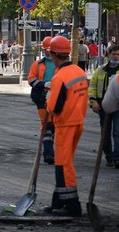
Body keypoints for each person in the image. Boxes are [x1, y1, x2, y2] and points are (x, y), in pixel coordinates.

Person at [43, 35, 89, 217]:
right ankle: (58, 202)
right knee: (65, 161)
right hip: (78, 122)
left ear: (53, 54)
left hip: (65, 124)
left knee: (63, 164)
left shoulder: (59, 77)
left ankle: (72, 206)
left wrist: (47, 99)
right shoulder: (79, 71)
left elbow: (53, 107)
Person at [88, 44, 119, 167]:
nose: (116, 56)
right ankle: (109, 157)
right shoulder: (100, 70)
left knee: (117, 132)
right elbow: (92, 86)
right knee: (105, 132)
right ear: (108, 55)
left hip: (117, 105)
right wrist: (93, 101)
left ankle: (117, 158)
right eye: (114, 54)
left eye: (118, 54)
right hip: (103, 105)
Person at [28, 36, 56, 164]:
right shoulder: (37, 64)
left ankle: (51, 151)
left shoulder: (61, 64)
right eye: (46, 49)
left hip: (57, 98)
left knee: (54, 126)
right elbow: (31, 79)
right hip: (41, 98)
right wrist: (44, 84)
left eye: (50, 49)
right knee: (47, 126)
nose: (48, 52)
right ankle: (48, 153)